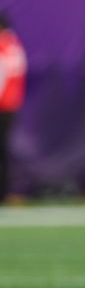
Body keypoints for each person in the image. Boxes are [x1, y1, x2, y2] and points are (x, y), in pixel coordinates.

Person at [0, 13, 26, 202]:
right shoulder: (14, 45)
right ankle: (5, 191)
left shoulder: (2, 45)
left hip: (2, 105)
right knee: (4, 151)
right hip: (11, 105)